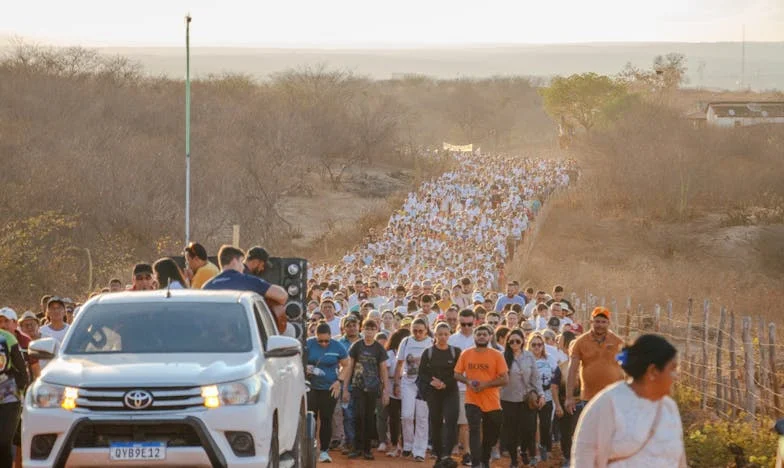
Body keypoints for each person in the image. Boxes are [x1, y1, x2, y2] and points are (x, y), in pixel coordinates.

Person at [572, 334, 686, 467]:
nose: (677, 375)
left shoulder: (669, 407)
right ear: (653, 371)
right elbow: (584, 457)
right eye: (673, 368)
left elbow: (679, 459)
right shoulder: (607, 404)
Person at [453, 325, 509, 468]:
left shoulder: (497, 355)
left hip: (492, 401)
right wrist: (468, 381)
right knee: (474, 429)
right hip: (472, 399)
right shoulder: (466, 354)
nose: (482, 336)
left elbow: (505, 379)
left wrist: (486, 385)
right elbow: (456, 374)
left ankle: (485, 458)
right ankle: (476, 463)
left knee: (492, 433)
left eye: (485, 334)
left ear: (490, 337)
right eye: (479, 334)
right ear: (474, 336)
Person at [340, 319, 390, 460]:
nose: (369, 332)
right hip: (357, 387)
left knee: (369, 418)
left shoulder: (379, 348)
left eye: (372, 329)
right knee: (358, 416)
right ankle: (357, 448)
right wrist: (345, 388)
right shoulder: (357, 346)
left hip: (373, 388)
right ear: (362, 330)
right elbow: (349, 367)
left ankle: (367, 449)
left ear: (376, 331)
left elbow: (383, 369)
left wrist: (386, 390)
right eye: (367, 329)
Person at [565, 307, 624, 423]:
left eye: (603, 322)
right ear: (591, 322)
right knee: (590, 433)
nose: (600, 325)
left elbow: (627, 369)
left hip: (612, 398)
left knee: (610, 434)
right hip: (588, 397)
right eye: (597, 321)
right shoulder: (580, 342)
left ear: (609, 323)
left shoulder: (618, 342)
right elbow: (572, 370)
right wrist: (569, 397)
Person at [418, 322, 461, 468]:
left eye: (445, 334)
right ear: (435, 335)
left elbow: (458, 372)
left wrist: (445, 383)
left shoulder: (456, 351)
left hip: (450, 390)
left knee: (451, 420)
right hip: (433, 392)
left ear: (449, 335)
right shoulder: (428, 352)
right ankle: (438, 454)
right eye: (440, 334)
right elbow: (422, 373)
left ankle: (447, 454)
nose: (443, 337)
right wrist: (432, 382)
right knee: (435, 422)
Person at [306, 322, 349, 463]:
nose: (324, 343)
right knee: (309, 419)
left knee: (326, 418)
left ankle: (324, 451)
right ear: (315, 336)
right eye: (320, 341)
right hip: (311, 387)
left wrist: (339, 381)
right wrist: (307, 368)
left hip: (329, 388)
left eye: (326, 340)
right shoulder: (308, 344)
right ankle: (309, 449)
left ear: (331, 336)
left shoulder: (337, 346)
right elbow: (298, 362)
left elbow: (347, 365)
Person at [500, 328, 542, 468]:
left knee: (529, 429)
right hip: (508, 399)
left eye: (518, 340)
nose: (515, 343)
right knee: (511, 430)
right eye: (511, 341)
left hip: (526, 398)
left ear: (523, 341)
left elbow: (536, 377)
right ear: (508, 342)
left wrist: (540, 394)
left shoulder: (529, 356)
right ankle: (513, 459)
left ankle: (523, 450)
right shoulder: (502, 356)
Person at [395, 318, 433, 461]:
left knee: (422, 417)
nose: (417, 333)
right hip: (408, 382)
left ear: (426, 330)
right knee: (406, 415)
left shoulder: (430, 342)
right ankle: (408, 445)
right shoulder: (406, 342)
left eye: (420, 331)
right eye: (414, 330)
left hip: (424, 384)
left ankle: (419, 450)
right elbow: (399, 364)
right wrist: (397, 383)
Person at [201, 245, 287, 305]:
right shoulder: (248, 281)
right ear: (234, 261)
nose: (243, 267)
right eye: (241, 262)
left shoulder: (206, 286)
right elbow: (282, 296)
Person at [448, 309, 476, 466]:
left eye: (469, 324)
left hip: (477, 387)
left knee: (469, 422)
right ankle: (464, 452)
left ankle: (468, 451)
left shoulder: (479, 338)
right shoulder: (452, 340)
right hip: (456, 386)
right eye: (463, 324)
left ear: (474, 323)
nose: (466, 327)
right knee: (458, 421)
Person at [528, 332, 557, 464]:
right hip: (531, 397)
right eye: (534, 344)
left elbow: (556, 375)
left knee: (546, 425)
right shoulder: (526, 359)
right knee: (532, 425)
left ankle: (546, 448)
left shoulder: (549, 358)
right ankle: (534, 451)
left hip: (548, 395)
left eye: (539, 344)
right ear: (529, 345)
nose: (537, 347)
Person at [0, 325, 27, 468]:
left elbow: (22, 371)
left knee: (3, 442)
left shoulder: (7, 338)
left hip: (9, 398)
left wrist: (22, 395)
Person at [552, 331, 578, 468]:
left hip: (582, 403)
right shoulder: (561, 367)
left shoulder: (584, 367)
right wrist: (557, 405)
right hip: (565, 403)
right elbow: (554, 387)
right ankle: (568, 457)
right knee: (566, 433)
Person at [384, 328, 410, 457]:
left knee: (407, 417)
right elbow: (386, 370)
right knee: (394, 418)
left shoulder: (410, 352)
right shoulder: (389, 353)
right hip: (391, 387)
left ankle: (406, 444)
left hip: (408, 386)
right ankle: (395, 444)